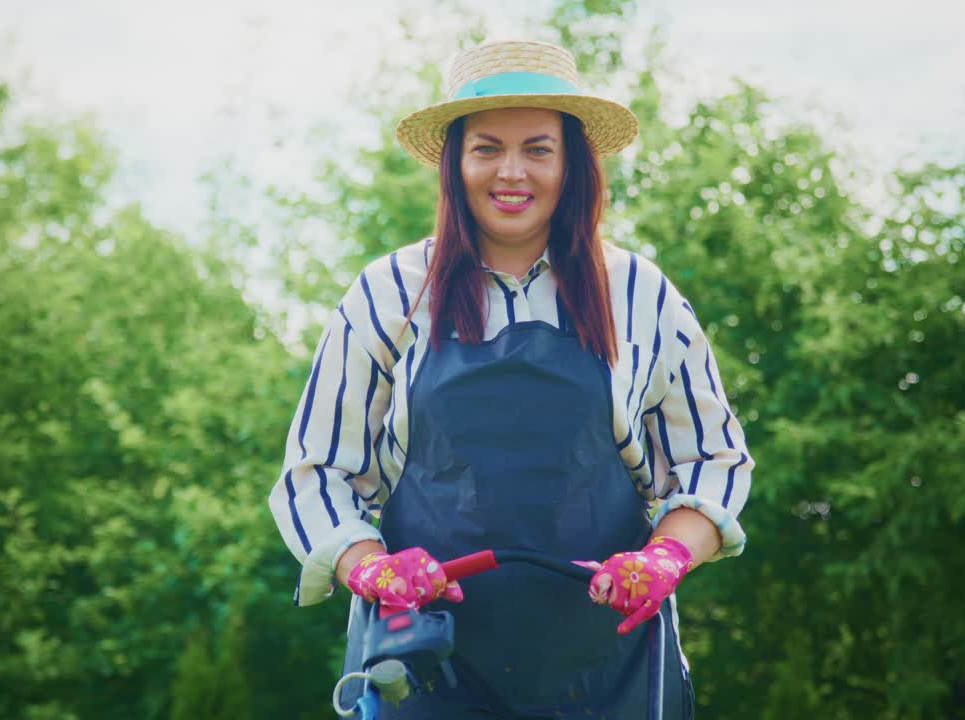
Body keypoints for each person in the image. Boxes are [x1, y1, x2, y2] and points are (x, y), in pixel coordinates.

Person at [269, 39, 753, 719]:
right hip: (425, 663)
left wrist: (669, 555)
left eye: (538, 148)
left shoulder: (640, 293)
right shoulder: (387, 295)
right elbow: (315, 472)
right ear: (455, 163)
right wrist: (368, 566)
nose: (512, 172)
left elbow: (713, 461)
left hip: (609, 668)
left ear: (573, 163)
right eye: (487, 147)